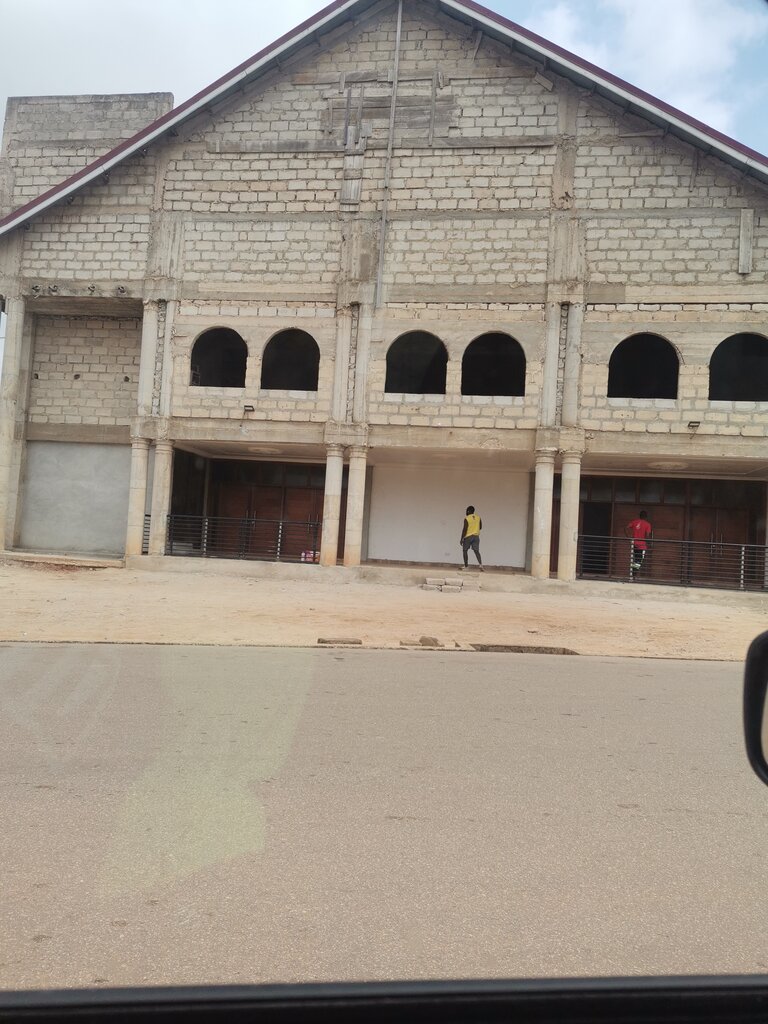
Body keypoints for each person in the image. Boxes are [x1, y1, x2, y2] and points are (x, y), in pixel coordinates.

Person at [460, 505, 484, 571]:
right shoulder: (478, 517)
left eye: (466, 511)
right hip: (476, 536)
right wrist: (475, 529)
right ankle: (480, 565)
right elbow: (480, 527)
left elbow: (464, 529)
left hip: (468, 536)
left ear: (468, 511)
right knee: (476, 551)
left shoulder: (467, 518)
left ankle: (466, 566)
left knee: (465, 550)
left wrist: (461, 538)